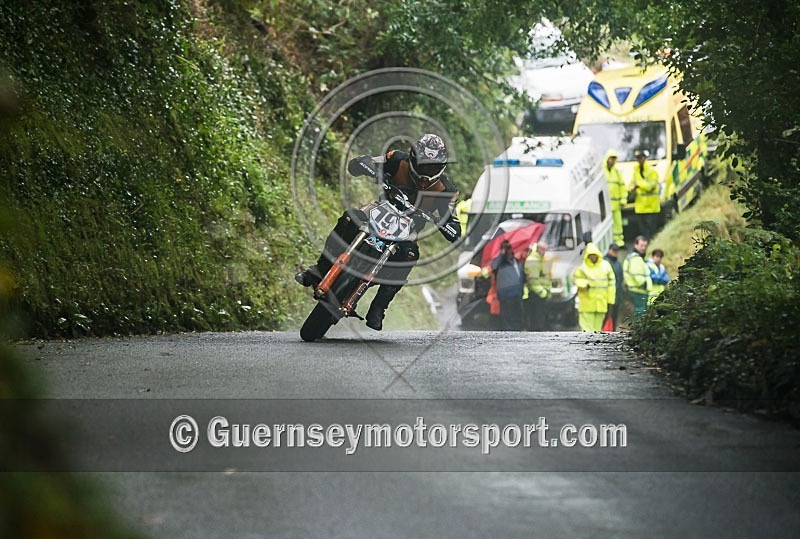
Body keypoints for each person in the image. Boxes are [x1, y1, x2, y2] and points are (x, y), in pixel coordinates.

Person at [295, 134, 461, 330]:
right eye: (422, 165)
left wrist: (446, 225)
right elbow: (361, 164)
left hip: (409, 229)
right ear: (412, 158)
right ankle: (320, 269)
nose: (426, 172)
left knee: (410, 255)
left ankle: (379, 307)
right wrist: (366, 165)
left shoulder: (447, 191)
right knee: (350, 218)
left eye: (432, 168)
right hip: (379, 210)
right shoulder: (396, 159)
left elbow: (454, 224)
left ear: (441, 167)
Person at [572, 243, 616, 332]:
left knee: (597, 330)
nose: (593, 257)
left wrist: (611, 301)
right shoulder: (582, 267)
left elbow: (611, 284)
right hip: (586, 304)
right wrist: (584, 284)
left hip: (601, 304)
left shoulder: (605, 266)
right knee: (587, 330)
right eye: (591, 255)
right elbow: (575, 279)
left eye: (594, 255)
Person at [491, 240, 526, 331]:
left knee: (518, 315)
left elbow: (521, 275)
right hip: (506, 293)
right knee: (507, 316)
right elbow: (494, 266)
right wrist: (502, 253)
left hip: (517, 292)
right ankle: (508, 333)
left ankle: (518, 331)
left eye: (510, 248)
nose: (510, 250)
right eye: (508, 248)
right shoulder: (501, 263)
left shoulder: (517, 262)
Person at [629, 149, 661, 239]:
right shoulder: (636, 171)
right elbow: (631, 184)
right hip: (640, 208)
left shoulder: (652, 171)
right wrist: (632, 188)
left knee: (652, 232)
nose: (639, 160)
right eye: (638, 158)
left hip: (651, 207)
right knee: (643, 232)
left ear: (645, 158)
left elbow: (651, 186)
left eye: (641, 157)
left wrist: (639, 185)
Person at [523, 241, 551, 331]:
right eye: (543, 250)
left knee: (539, 318)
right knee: (537, 319)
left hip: (539, 293)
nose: (544, 252)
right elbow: (533, 280)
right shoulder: (533, 261)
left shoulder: (538, 259)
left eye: (545, 250)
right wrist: (542, 292)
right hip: (536, 294)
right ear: (538, 249)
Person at [623, 235, 652, 320]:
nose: (643, 248)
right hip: (639, 289)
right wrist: (644, 284)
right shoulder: (635, 258)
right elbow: (636, 274)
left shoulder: (635, 257)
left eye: (645, 246)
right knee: (640, 314)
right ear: (635, 245)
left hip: (637, 289)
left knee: (640, 313)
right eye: (641, 245)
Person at [603, 149, 626, 246]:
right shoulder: (602, 171)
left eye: (614, 159)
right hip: (605, 205)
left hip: (616, 205)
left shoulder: (617, 172)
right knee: (606, 225)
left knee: (618, 224)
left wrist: (623, 199)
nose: (612, 161)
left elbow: (622, 186)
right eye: (611, 159)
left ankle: (619, 242)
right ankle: (609, 244)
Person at [603, 242, 624, 330]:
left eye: (616, 250)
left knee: (614, 319)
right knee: (606, 319)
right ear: (609, 250)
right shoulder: (605, 262)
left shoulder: (617, 263)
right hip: (608, 297)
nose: (615, 252)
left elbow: (620, 279)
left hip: (617, 295)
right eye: (613, 250)